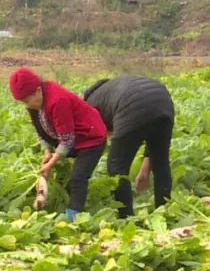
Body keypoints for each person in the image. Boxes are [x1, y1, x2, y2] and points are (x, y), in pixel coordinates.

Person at [10, 67, 108, 222]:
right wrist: (47, 152)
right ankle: (66, 205)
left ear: (37, 90)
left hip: (91, 137)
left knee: (78, 178)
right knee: (68, 177)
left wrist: (50, 165)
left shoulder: (57, 100)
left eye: (27, 100)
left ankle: (73, 220)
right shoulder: (34, 103)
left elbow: (67, 140)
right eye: (23, 102)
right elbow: (40, 130)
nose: (27, 105)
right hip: (73, 138)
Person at [83, 75, 175, 216]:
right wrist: (144, 172)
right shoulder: (111, 89)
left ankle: (126, 217)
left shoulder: (89, 104)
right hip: (163, 101)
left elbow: (97, 134)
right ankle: (164, 212)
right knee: (161, 163)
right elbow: (153, 142)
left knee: (116, 167)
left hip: (132, 103)